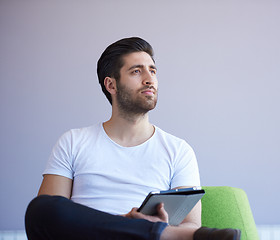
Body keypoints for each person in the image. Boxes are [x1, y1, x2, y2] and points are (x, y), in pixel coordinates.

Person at [25, 37, 241, 240]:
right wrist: (131, 225)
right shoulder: (73, 141)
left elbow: (191, 228)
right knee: (41, 208)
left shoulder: (178, 150)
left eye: (153, 71)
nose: (149, 80)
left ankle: (154, 232)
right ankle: (153, 231)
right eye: (136, 71)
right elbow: (50, 218)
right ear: (111, 85)